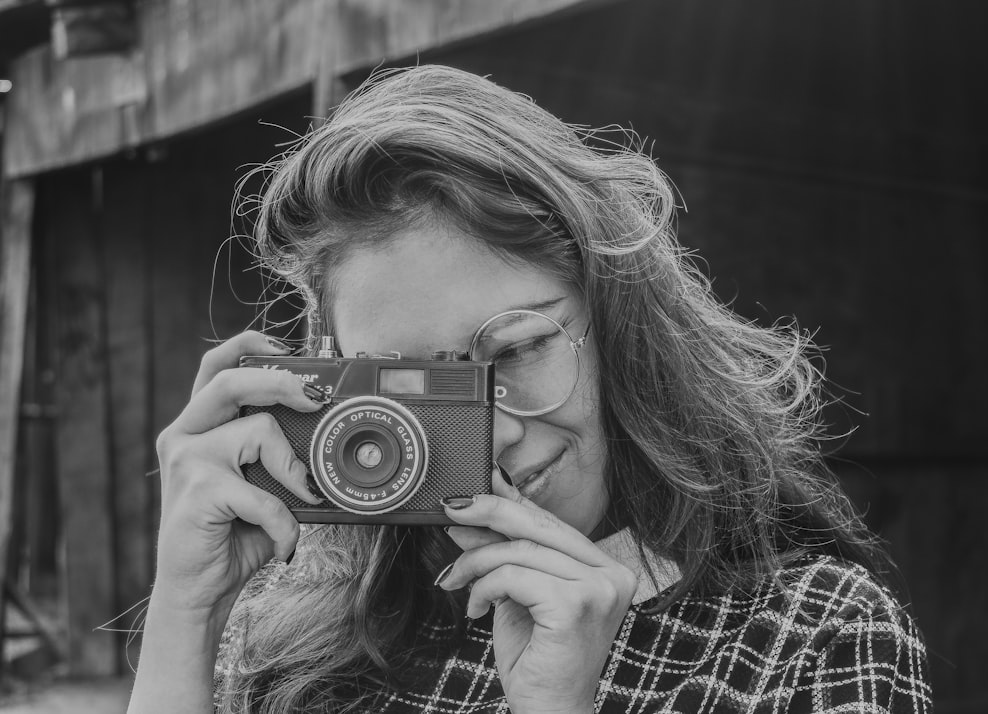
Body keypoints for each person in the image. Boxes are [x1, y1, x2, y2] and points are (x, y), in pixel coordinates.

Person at [127, 65, 932, 713]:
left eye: (514, 349)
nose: (497, 434)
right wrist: (185, 618)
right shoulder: (286, 633)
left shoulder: (812, 640)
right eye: (414, 389)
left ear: (618, 318)